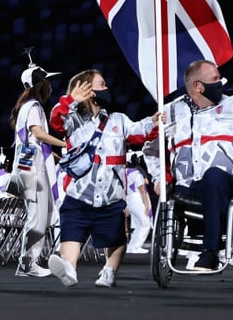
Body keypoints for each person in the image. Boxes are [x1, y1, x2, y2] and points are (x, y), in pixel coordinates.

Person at [144, 59, 233, 272]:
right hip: (186, 186)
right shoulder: (171, 111)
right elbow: (150, 149)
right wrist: (158, 178)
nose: (220, 83)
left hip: (226, 182)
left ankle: (210, 253)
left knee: (213, 176)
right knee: (180, 193)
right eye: (215, 79)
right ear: (197, 86)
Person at [47, 69, 158, 287]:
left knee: (116, 238)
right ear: (88, 90)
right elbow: (56, 122)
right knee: (71, 233)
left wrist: (154, 121)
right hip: (79, 193)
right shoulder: (73, 119)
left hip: (111, 195)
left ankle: (109, 272)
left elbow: (138, 132)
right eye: (102, 84)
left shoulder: (118, 119)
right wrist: (70, 100)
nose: (107, 88)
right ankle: (69, 269)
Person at [10, 58, 66, 277]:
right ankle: (27, 264)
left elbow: (33, 140)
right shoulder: (33, 106)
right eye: (47, 81)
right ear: (39, 84)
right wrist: (64, 143)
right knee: (37, 217)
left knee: (40, 216)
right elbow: (39, 134)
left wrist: (53, 153)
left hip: (31, 165)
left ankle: (29, 262)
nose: (50, 86)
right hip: (32, 169)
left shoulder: (28, 106)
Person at [125, 152, 152, 254]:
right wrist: (146, 206)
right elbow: (142, 190)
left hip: (129, 199)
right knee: (145, 224)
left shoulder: (125, 172)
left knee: (139, 225)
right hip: (137, 199)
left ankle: (131, 246)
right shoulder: (136, 174)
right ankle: (136, 246)